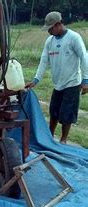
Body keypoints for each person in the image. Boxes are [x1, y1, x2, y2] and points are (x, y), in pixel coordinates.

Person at [26, 11, 88, 144]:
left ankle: (63, 140)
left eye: (50, 28)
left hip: (72, 83)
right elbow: (44, 61)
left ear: (59, 24)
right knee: (53, 111)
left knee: (67, 114)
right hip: (57, 83)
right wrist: (36, 79)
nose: (49, 32)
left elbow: (84, 57)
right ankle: (50, 135)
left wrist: (85, 80)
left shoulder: (74, 38)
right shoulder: (50, 41)